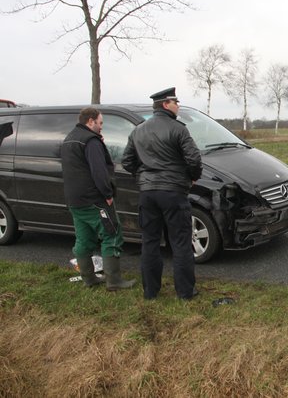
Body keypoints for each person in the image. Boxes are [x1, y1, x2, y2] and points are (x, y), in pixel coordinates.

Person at [122, 87, 202, 300]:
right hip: (173, 192)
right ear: (166, 104)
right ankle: (185, 292)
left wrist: (143, 176)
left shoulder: (138, 130)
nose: (178, 105)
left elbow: (127, 161)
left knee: (150, 242)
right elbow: (194, 159)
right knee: (181, 242)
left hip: (148, 193)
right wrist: (192, 177)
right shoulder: (178, 129)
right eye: (176, 102)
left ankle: (150, 291)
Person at [61, 107, 136, 290]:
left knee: (84, 238)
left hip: (74, 200)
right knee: (112, 234)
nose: (102, 126)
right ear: (90, 121)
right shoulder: (91, 141)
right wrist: (107, 194)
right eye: (100, 123)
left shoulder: (69, 138)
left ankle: (89, 278)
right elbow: (99, 171)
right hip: (94, 200)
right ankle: (114, 281)